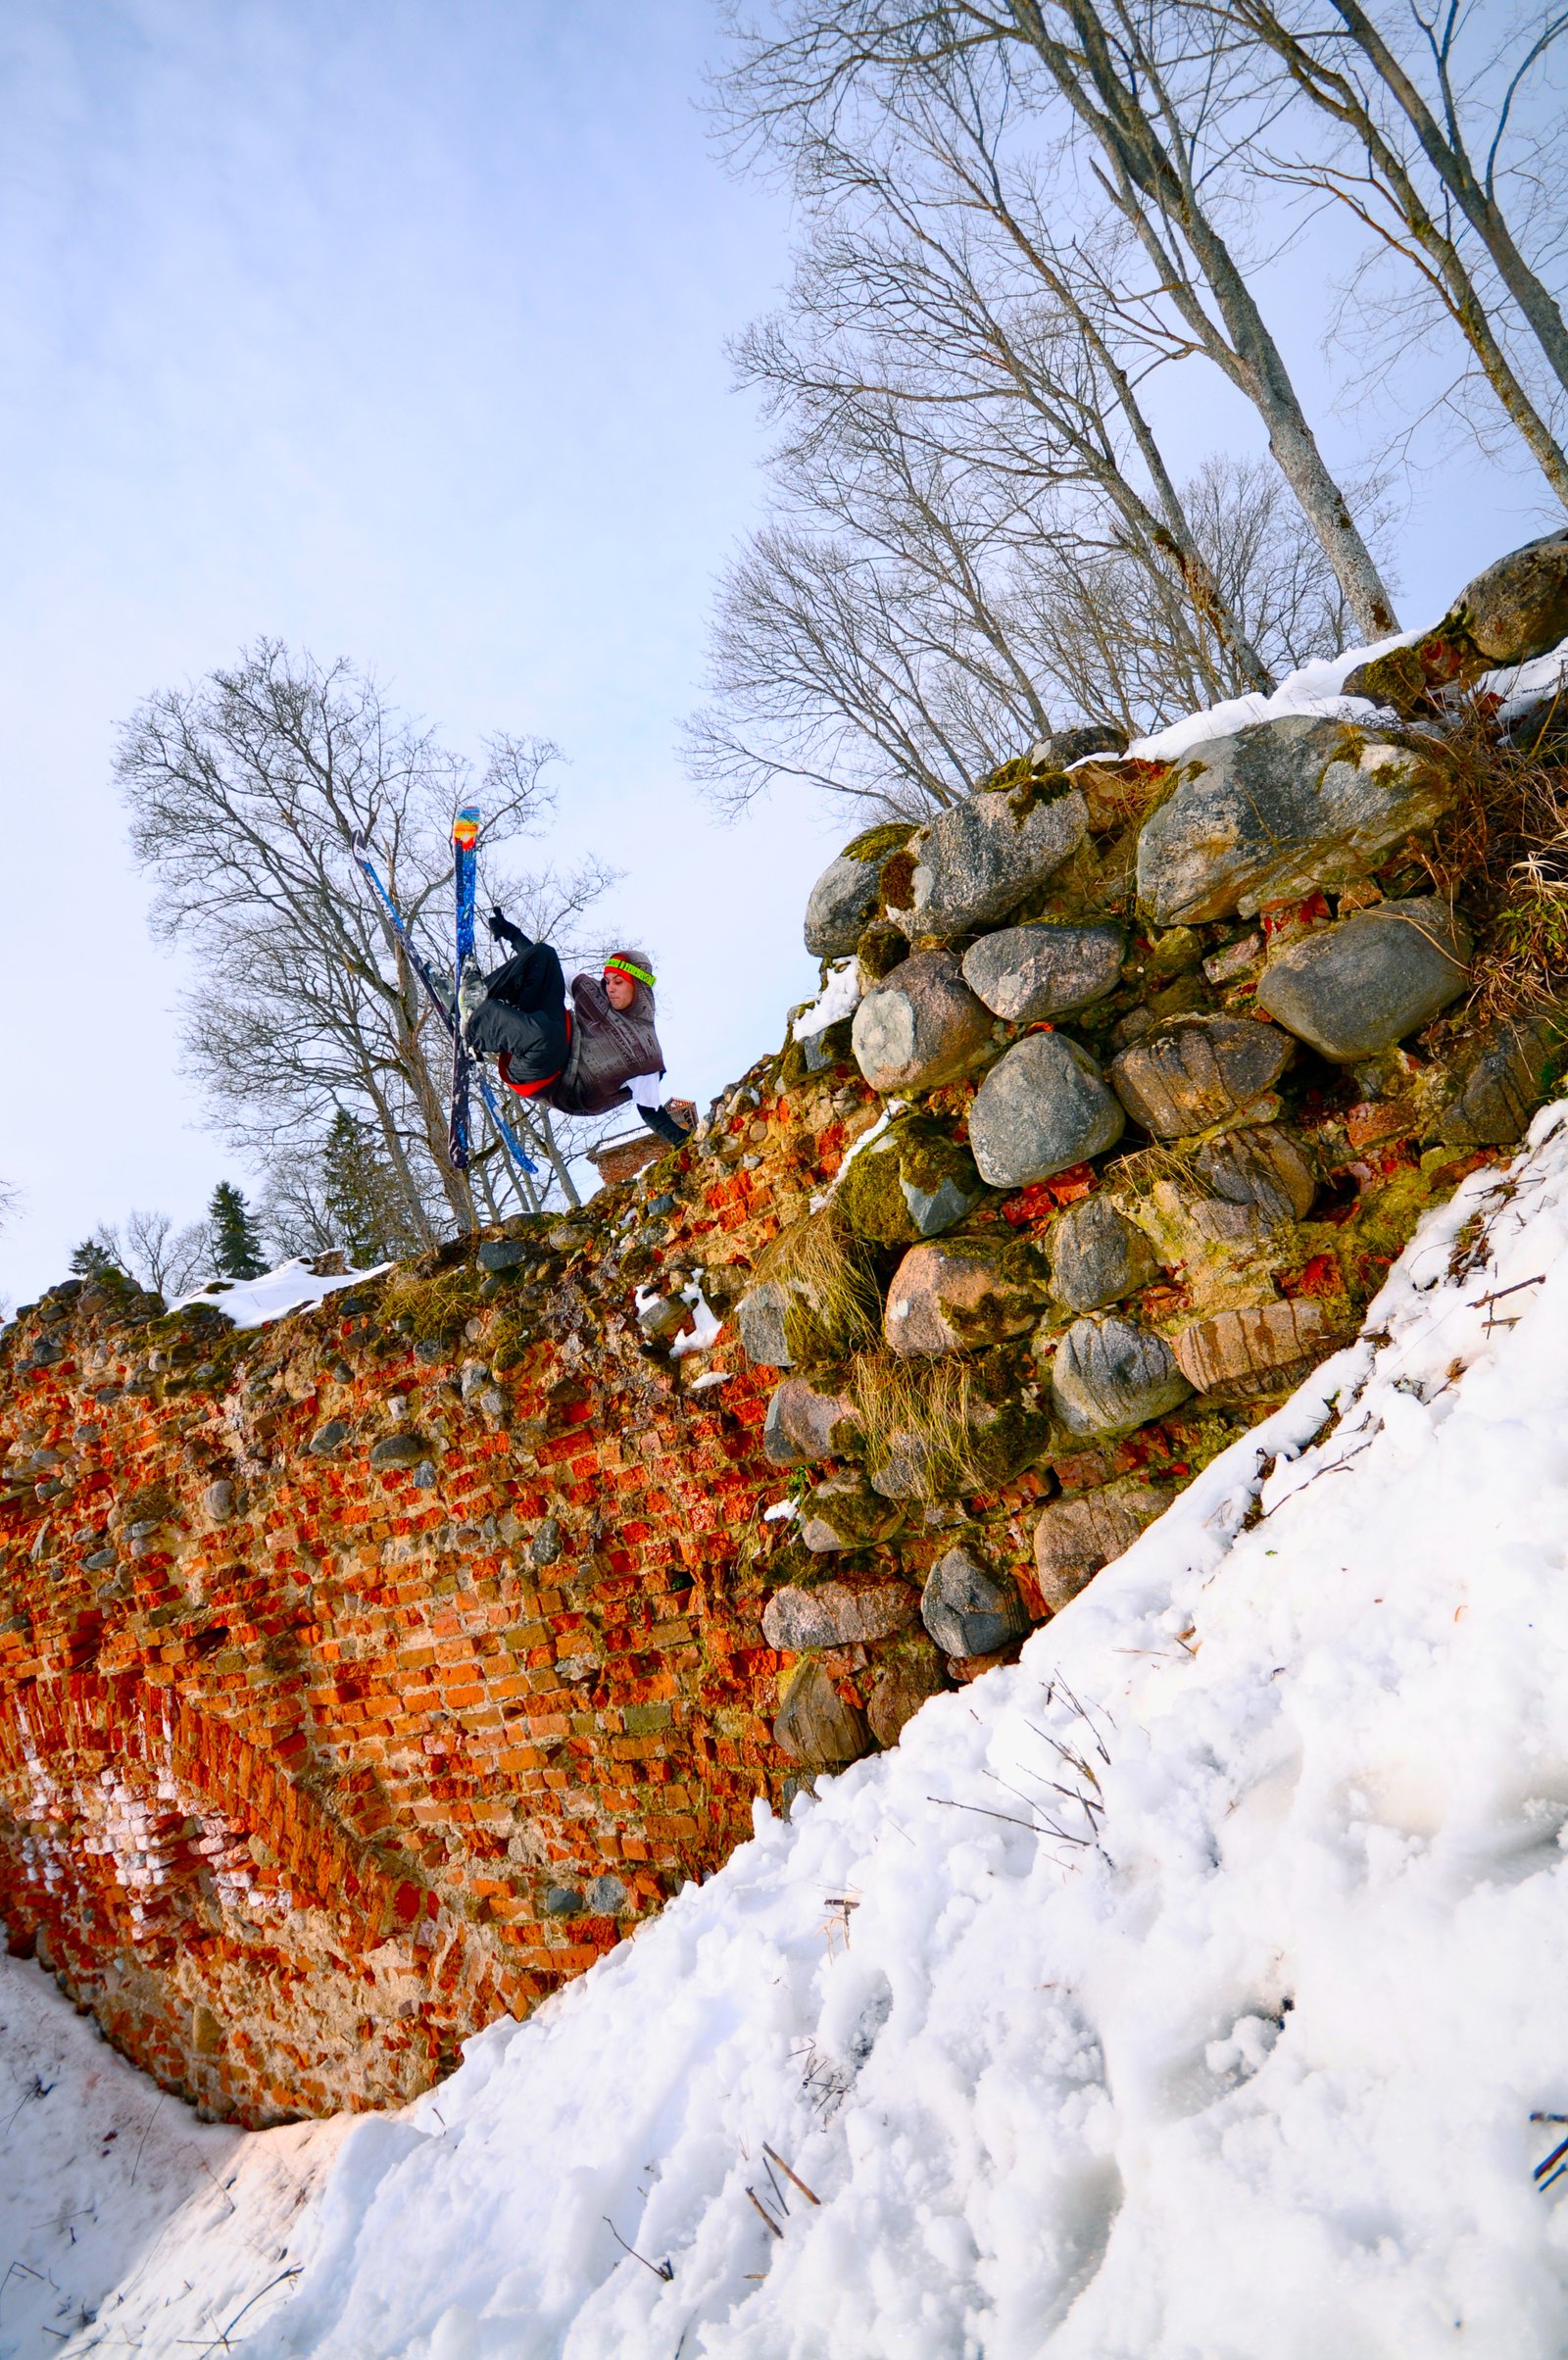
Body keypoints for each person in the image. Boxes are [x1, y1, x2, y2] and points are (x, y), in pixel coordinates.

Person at [458, 912, 694, 1146]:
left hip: (552, 1079)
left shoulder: (645, 1053)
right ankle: (473, 1001)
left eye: (618, 982)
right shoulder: (595, 994)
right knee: (544, 954)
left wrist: (685, 1142)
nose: (610, 988)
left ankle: (476, 1025)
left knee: (548, 1037)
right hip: (544, 1038)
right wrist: (512, 934)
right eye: (608, 980)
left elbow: (651, 1111)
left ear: (639, 987)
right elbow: (549, 971)